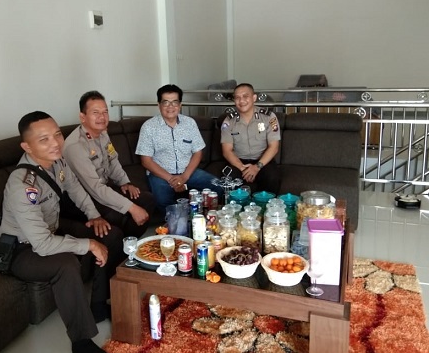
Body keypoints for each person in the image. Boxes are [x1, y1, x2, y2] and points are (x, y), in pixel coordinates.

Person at [0, 111, 119, 353]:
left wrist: (94, 216)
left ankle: (98, 304)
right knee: (66, 264)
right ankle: (81, 341)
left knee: (110, 233)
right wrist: (88, 244)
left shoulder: (57, 161)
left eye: (57, 135)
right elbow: (42, 245)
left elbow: (74, 188)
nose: (55, 143)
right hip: (23, 250)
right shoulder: (23, 185)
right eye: (44, 139)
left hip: (50, 231)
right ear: (27, 147)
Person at [63, 91, 155, 239]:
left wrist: (125, 182)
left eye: (105, 112)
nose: (102, 117)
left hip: (103, 187)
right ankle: (124, 245)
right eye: (95, 112)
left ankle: (129, 242)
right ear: (82, 117)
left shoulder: (103, 134)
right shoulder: (75, 146)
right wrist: (131, 207)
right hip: (85, 197)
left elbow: (113, 161)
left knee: (147, 199)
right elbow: (94, 188)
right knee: (118, 214)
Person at [135, 84, 223, 214]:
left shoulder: (190, 123)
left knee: (219, 186)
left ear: (180, 105)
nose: (170, 107)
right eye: (166, 102)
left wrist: (184, 177)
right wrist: (172, 180)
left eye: (174, 102)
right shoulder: (148, 127)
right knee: (164, 202)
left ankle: (207, 218)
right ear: (159, 105)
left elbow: (198, 152)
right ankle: (178, 223)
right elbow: (146, 161)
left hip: (188, 172)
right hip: (161, 175)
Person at [220, 83, 281, 194]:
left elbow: (274, 147)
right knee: (229, 179)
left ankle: (266, 204)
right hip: (238, 162)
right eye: (237, 97)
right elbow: (227, 151)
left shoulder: (268, 117)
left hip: (263, 161)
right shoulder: (229, 121)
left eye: (245, 96)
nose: (241, 101)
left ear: (254, 98)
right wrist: (244, 169)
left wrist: (256, 167)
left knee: (272, 177)